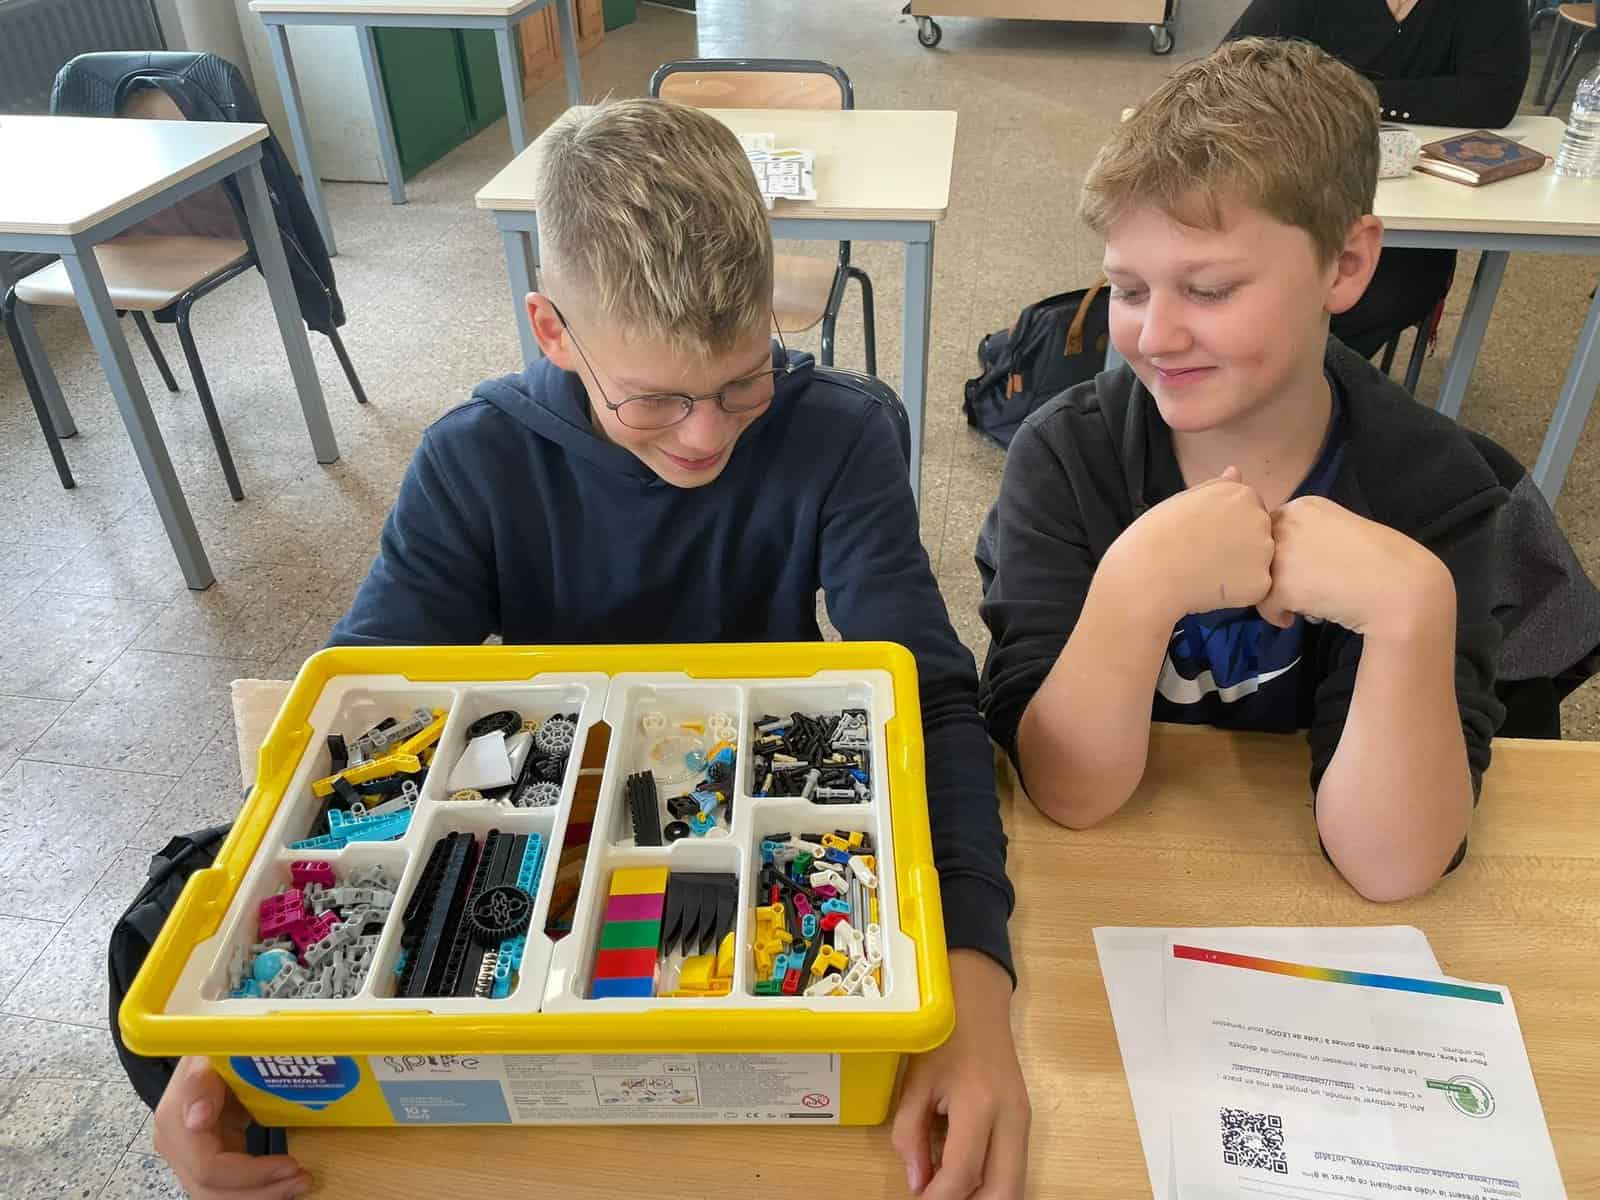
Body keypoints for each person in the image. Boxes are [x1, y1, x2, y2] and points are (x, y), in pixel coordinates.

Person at [149, 99, 1029, 1200]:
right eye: (654, 399)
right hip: (547, 875)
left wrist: (974, 988)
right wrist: (229, 1014)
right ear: (553, 331)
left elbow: (933, 699)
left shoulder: (841, 432)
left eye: (743, 381)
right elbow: (354, 712)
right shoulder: (475, 461)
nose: (706, 434)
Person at [977, 38, 1507, 904]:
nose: (1155, 336)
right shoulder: (1066, 457)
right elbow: (1066, 793)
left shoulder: (1432, 487)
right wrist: (1135, 589)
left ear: (1346, 264)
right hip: (1119, 894)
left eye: (1211, 290)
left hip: (1310, 919)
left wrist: (1411, 614)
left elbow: (1392, 868)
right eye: (1129, 290)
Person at [1223, 0, 1532, 358]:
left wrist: (1342, 98)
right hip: (1290, 196)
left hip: (1413, 227)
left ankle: (1315, 377)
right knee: (1250, 282)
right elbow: (1232, 71)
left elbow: (1493, 99)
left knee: (1378, 297)